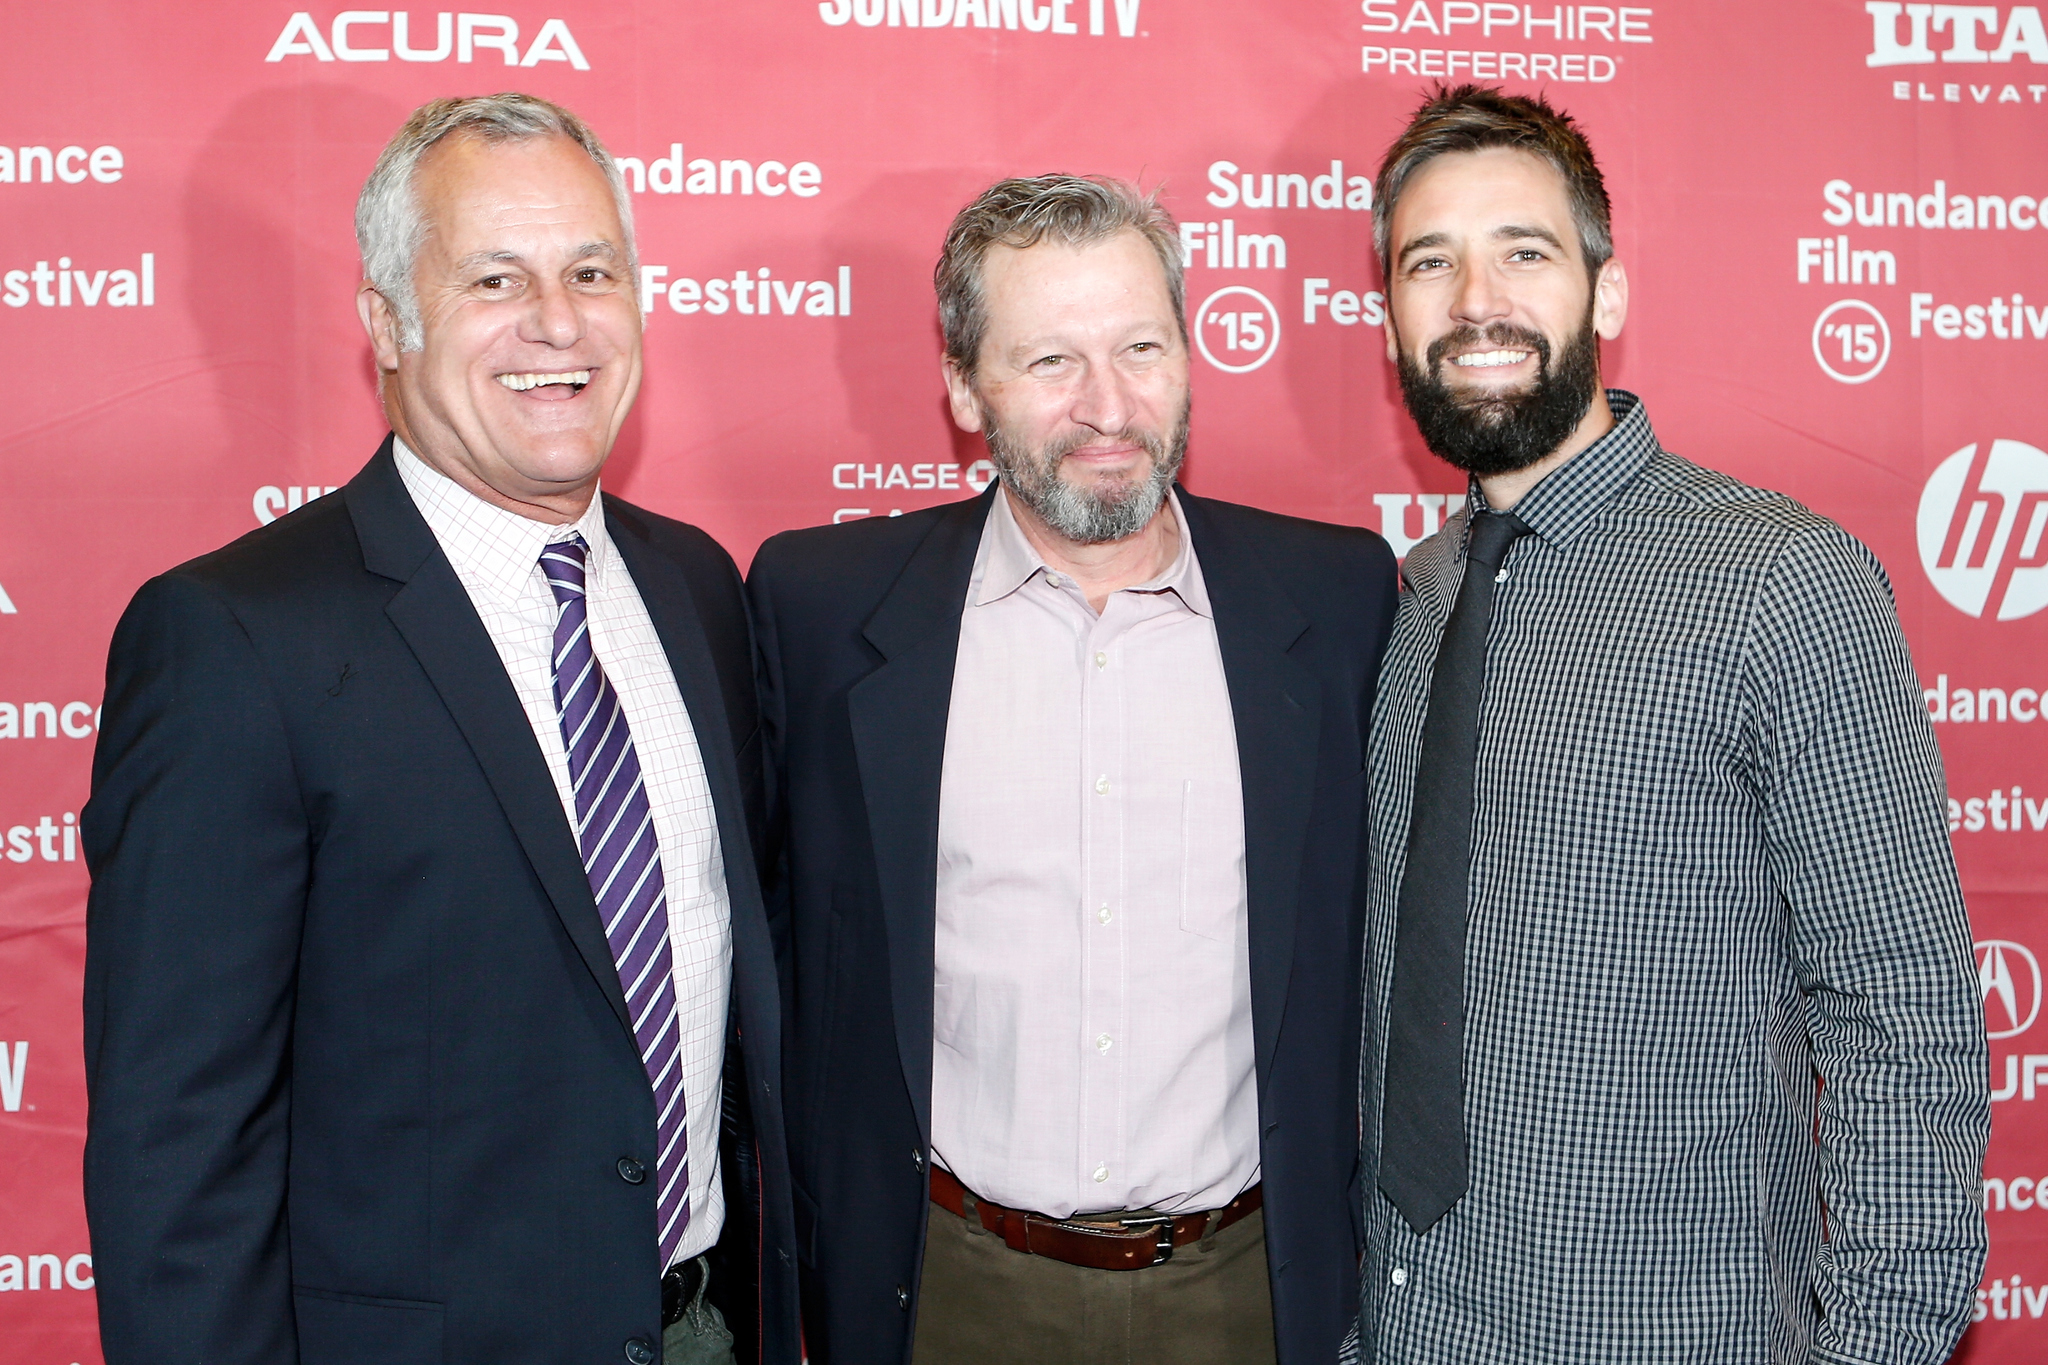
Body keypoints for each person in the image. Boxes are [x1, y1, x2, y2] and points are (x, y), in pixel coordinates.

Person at [81, 94, 798, 1365]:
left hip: (700, 1330)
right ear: (385, 325)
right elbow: (176, 1142)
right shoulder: (232, 639)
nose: (557, 323)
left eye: (592, 271)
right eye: (492, 278)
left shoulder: (698, 588)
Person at [1355, 85, 1989, 1364]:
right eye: (1431, 262)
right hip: (1407, 1327)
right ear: (1391, 319)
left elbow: (1899, 1016)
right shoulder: (1410, 597)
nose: (1475, 299)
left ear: (1608, 293)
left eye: (1522, 252)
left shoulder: (1775, 582)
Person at [748, 175, 1397, 1365]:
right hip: (945, 1291)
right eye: (1049, 361)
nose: (1109, 406)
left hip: (1246, 1291)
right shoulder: (820, 611)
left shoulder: (1336, 599)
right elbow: (770, 955)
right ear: (960, 385)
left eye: (1141, 348)